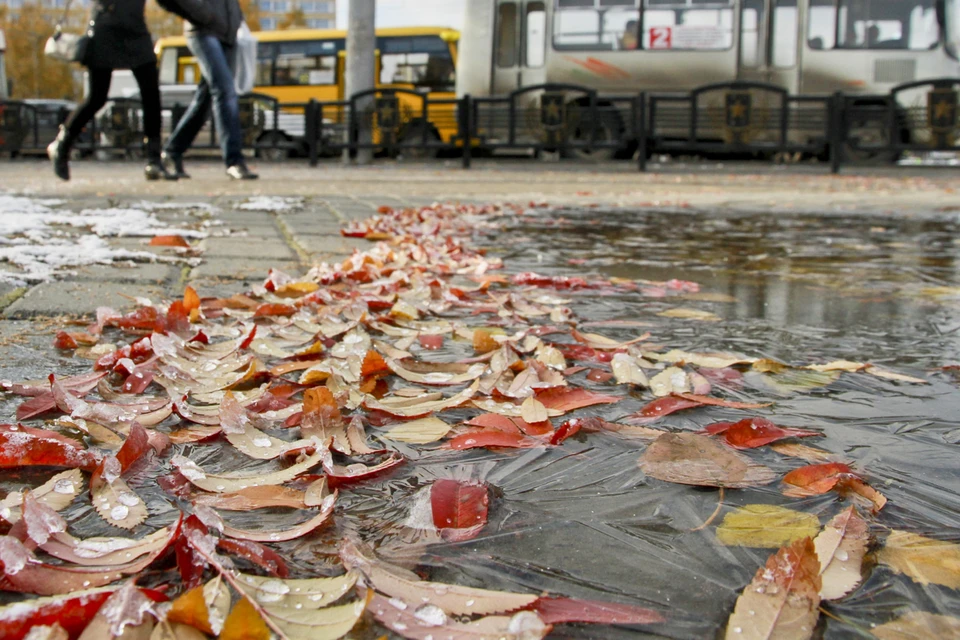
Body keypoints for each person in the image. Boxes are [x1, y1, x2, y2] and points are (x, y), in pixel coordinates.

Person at [47, 0, 184, 181]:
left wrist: (192, 14)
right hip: (106, 26)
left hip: (135, 29)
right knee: (97, 97)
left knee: (151, 95)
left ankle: (153, 159)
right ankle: (62, 145)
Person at [158, 0, 258, 180]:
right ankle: (234, 161)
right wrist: (202, 14)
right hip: (203, 31)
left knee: (204, 101)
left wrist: (236, 18)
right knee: (225, 91)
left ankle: (172, 151)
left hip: (228, 33)